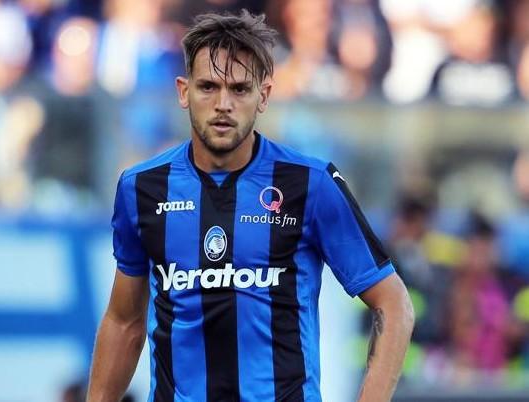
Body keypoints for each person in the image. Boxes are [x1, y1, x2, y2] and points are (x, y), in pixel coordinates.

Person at [87, 10, 414, 402]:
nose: (223, 104)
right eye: (208, 87)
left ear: (264, 95)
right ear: (183, 91)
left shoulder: (311, 184)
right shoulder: (141, 188)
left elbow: (393, 303)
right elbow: (124, 322)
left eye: (240, 89)